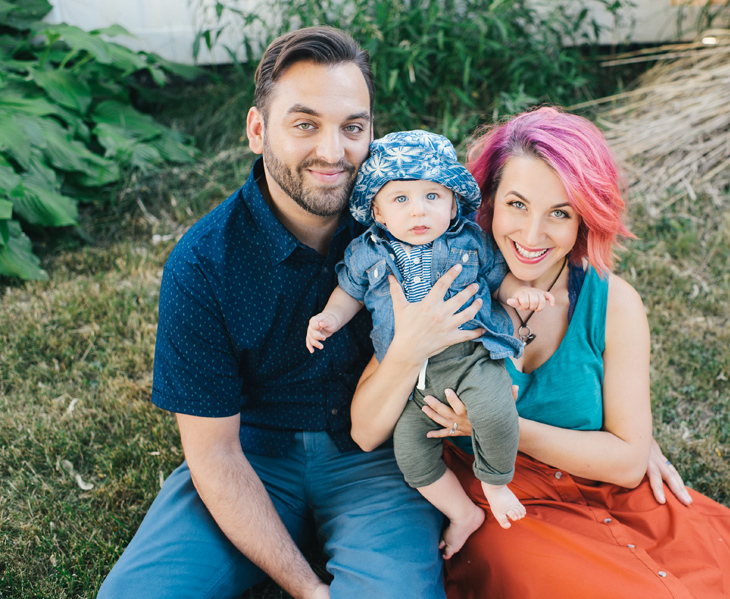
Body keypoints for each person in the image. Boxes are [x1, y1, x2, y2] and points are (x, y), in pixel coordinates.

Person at [349, 107, 730, 598]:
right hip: (510, 511)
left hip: (616, 498)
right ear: (488, 201)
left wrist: (493, 424)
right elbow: (368, 430)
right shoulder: (444, 286)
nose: (532, 234)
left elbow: (627, 461)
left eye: (559, 213)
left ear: (586, 218)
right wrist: (411, 347)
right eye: (517, 205)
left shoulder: (613, 304)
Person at [96, 27, 478, 599]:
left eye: (353, 127)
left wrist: (626, 429)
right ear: (257, 130)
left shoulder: (412, 223)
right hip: (252, 459)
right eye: (305, 124)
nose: (333, 151)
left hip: (376, 457)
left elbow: (533, 260)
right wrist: (306, 588)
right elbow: (215, 455)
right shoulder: (204, 262)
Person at [306, 130, 555, 556]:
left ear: (454, 204)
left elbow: (499, 278)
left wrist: (521, 292)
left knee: (496, 413)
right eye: (400, 199)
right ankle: (462, 512)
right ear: (378, 212)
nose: (418, 210)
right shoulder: (367, 251)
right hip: (412, 379)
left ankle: (495, 483)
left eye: (432, 197)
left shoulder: (468, 240)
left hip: (472, 358)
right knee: (411, 456)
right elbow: (348, 292)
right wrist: (330, 317)